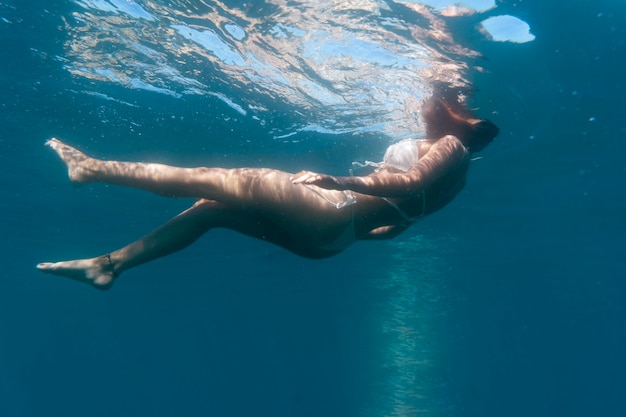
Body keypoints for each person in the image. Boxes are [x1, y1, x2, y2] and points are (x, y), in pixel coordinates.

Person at [36, 96, 498, 290]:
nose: (421, 107)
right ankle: (108, 265)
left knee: (208, 177)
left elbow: (409, 182)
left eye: (428, 102)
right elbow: (394, 228)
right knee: (209, 209)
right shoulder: (458, 176)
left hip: (331, 210)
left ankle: (92, 168)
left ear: (451, 111)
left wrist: (338, 185)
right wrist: (351, 226)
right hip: (331, 242)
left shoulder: (452, 145)